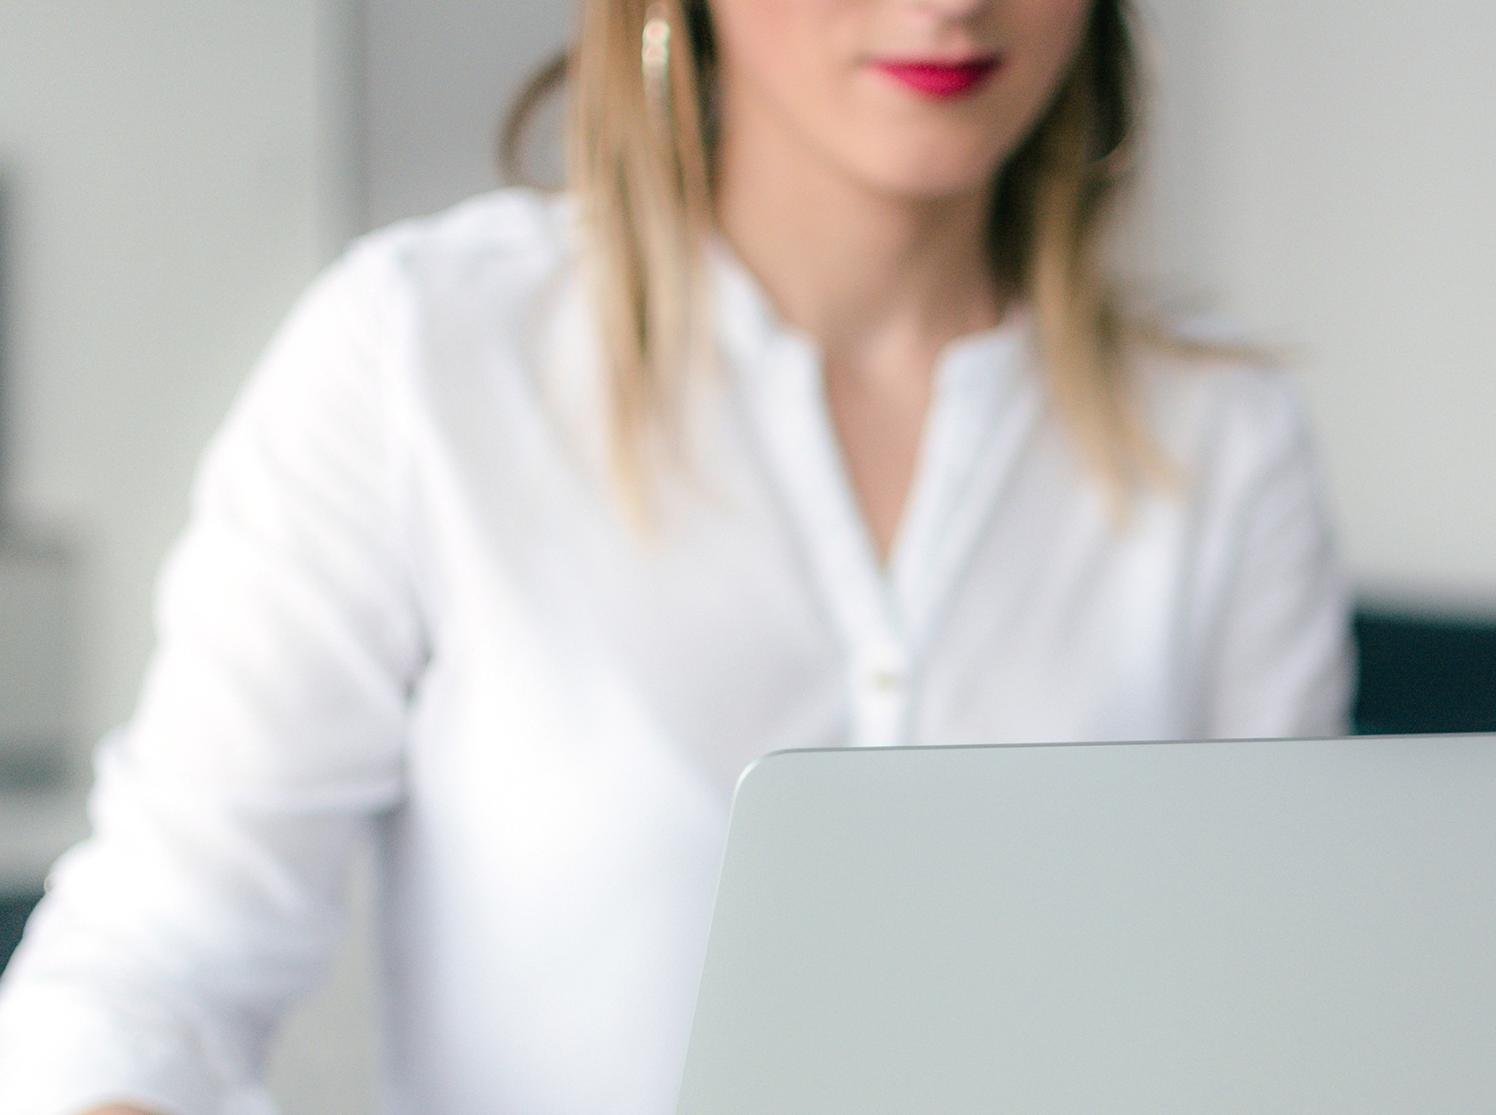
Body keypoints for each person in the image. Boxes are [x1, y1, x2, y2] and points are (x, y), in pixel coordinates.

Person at [0, 0, 1354, 1111]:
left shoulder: (1225, 448)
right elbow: (154, 965)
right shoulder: (420, 362)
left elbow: (1289, 1021)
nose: (952, 3)